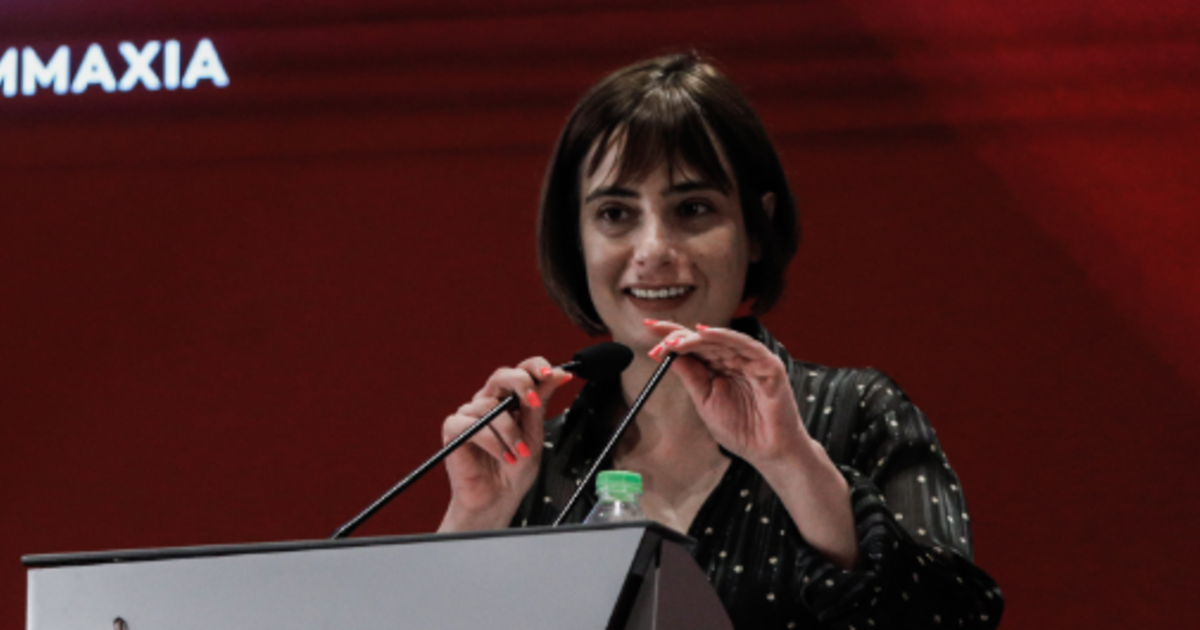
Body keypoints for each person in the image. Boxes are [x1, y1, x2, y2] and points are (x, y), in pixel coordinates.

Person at [437, 53, 1004, 629]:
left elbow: (952, 619)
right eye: (614, 213)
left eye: (693, 208)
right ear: (576, 237)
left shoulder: (856, 417)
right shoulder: (532, 463)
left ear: (756, 228)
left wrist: (791, 463)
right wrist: (474, 517)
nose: (653, 249)